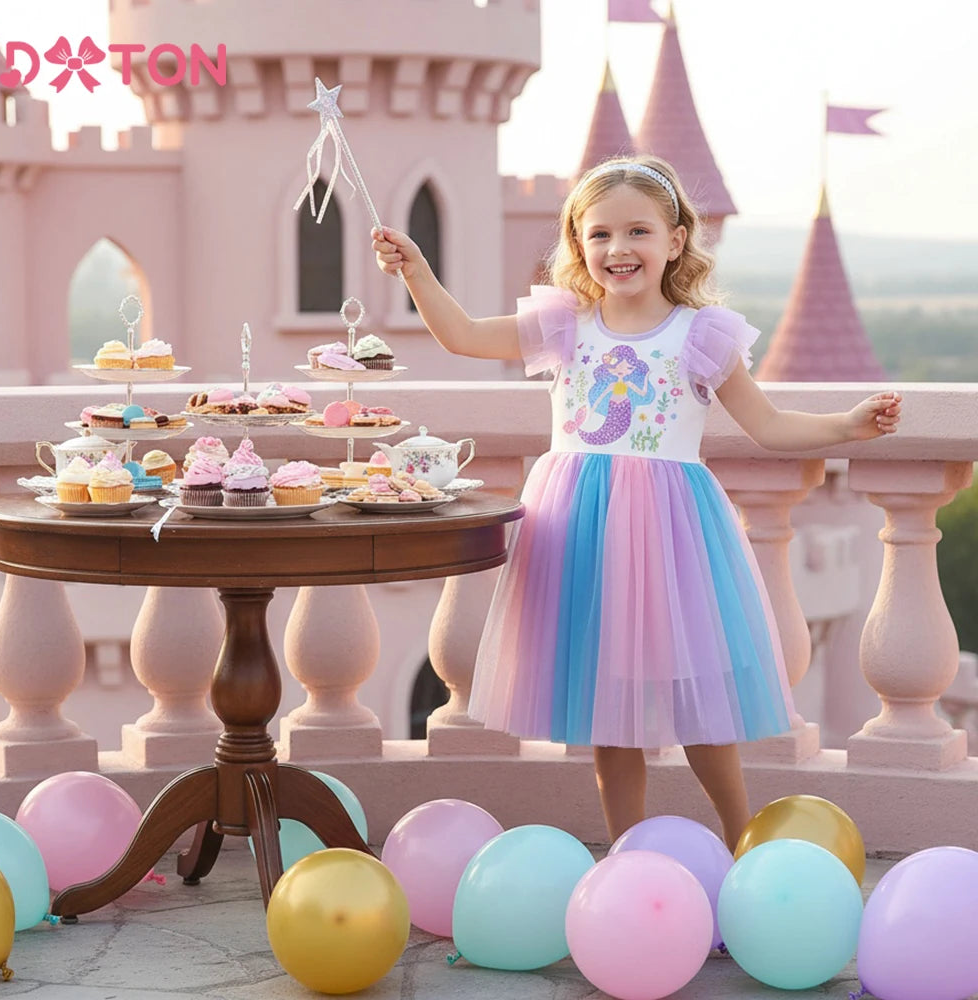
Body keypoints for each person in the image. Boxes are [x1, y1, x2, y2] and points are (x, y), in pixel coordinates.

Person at [372, 155, 901, 851]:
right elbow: (465, 335)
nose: (618, 250)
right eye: (599, 235)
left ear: (676, 240)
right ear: (578, 242)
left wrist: (848, 427)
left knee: (700, 697)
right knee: (607, 707)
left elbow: (768, 425)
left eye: (638, 232)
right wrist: (416, 271)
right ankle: (628, 850)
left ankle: (743, 838)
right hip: (579, 531)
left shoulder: (701, 335)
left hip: (672, 532)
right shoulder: (565, 323)